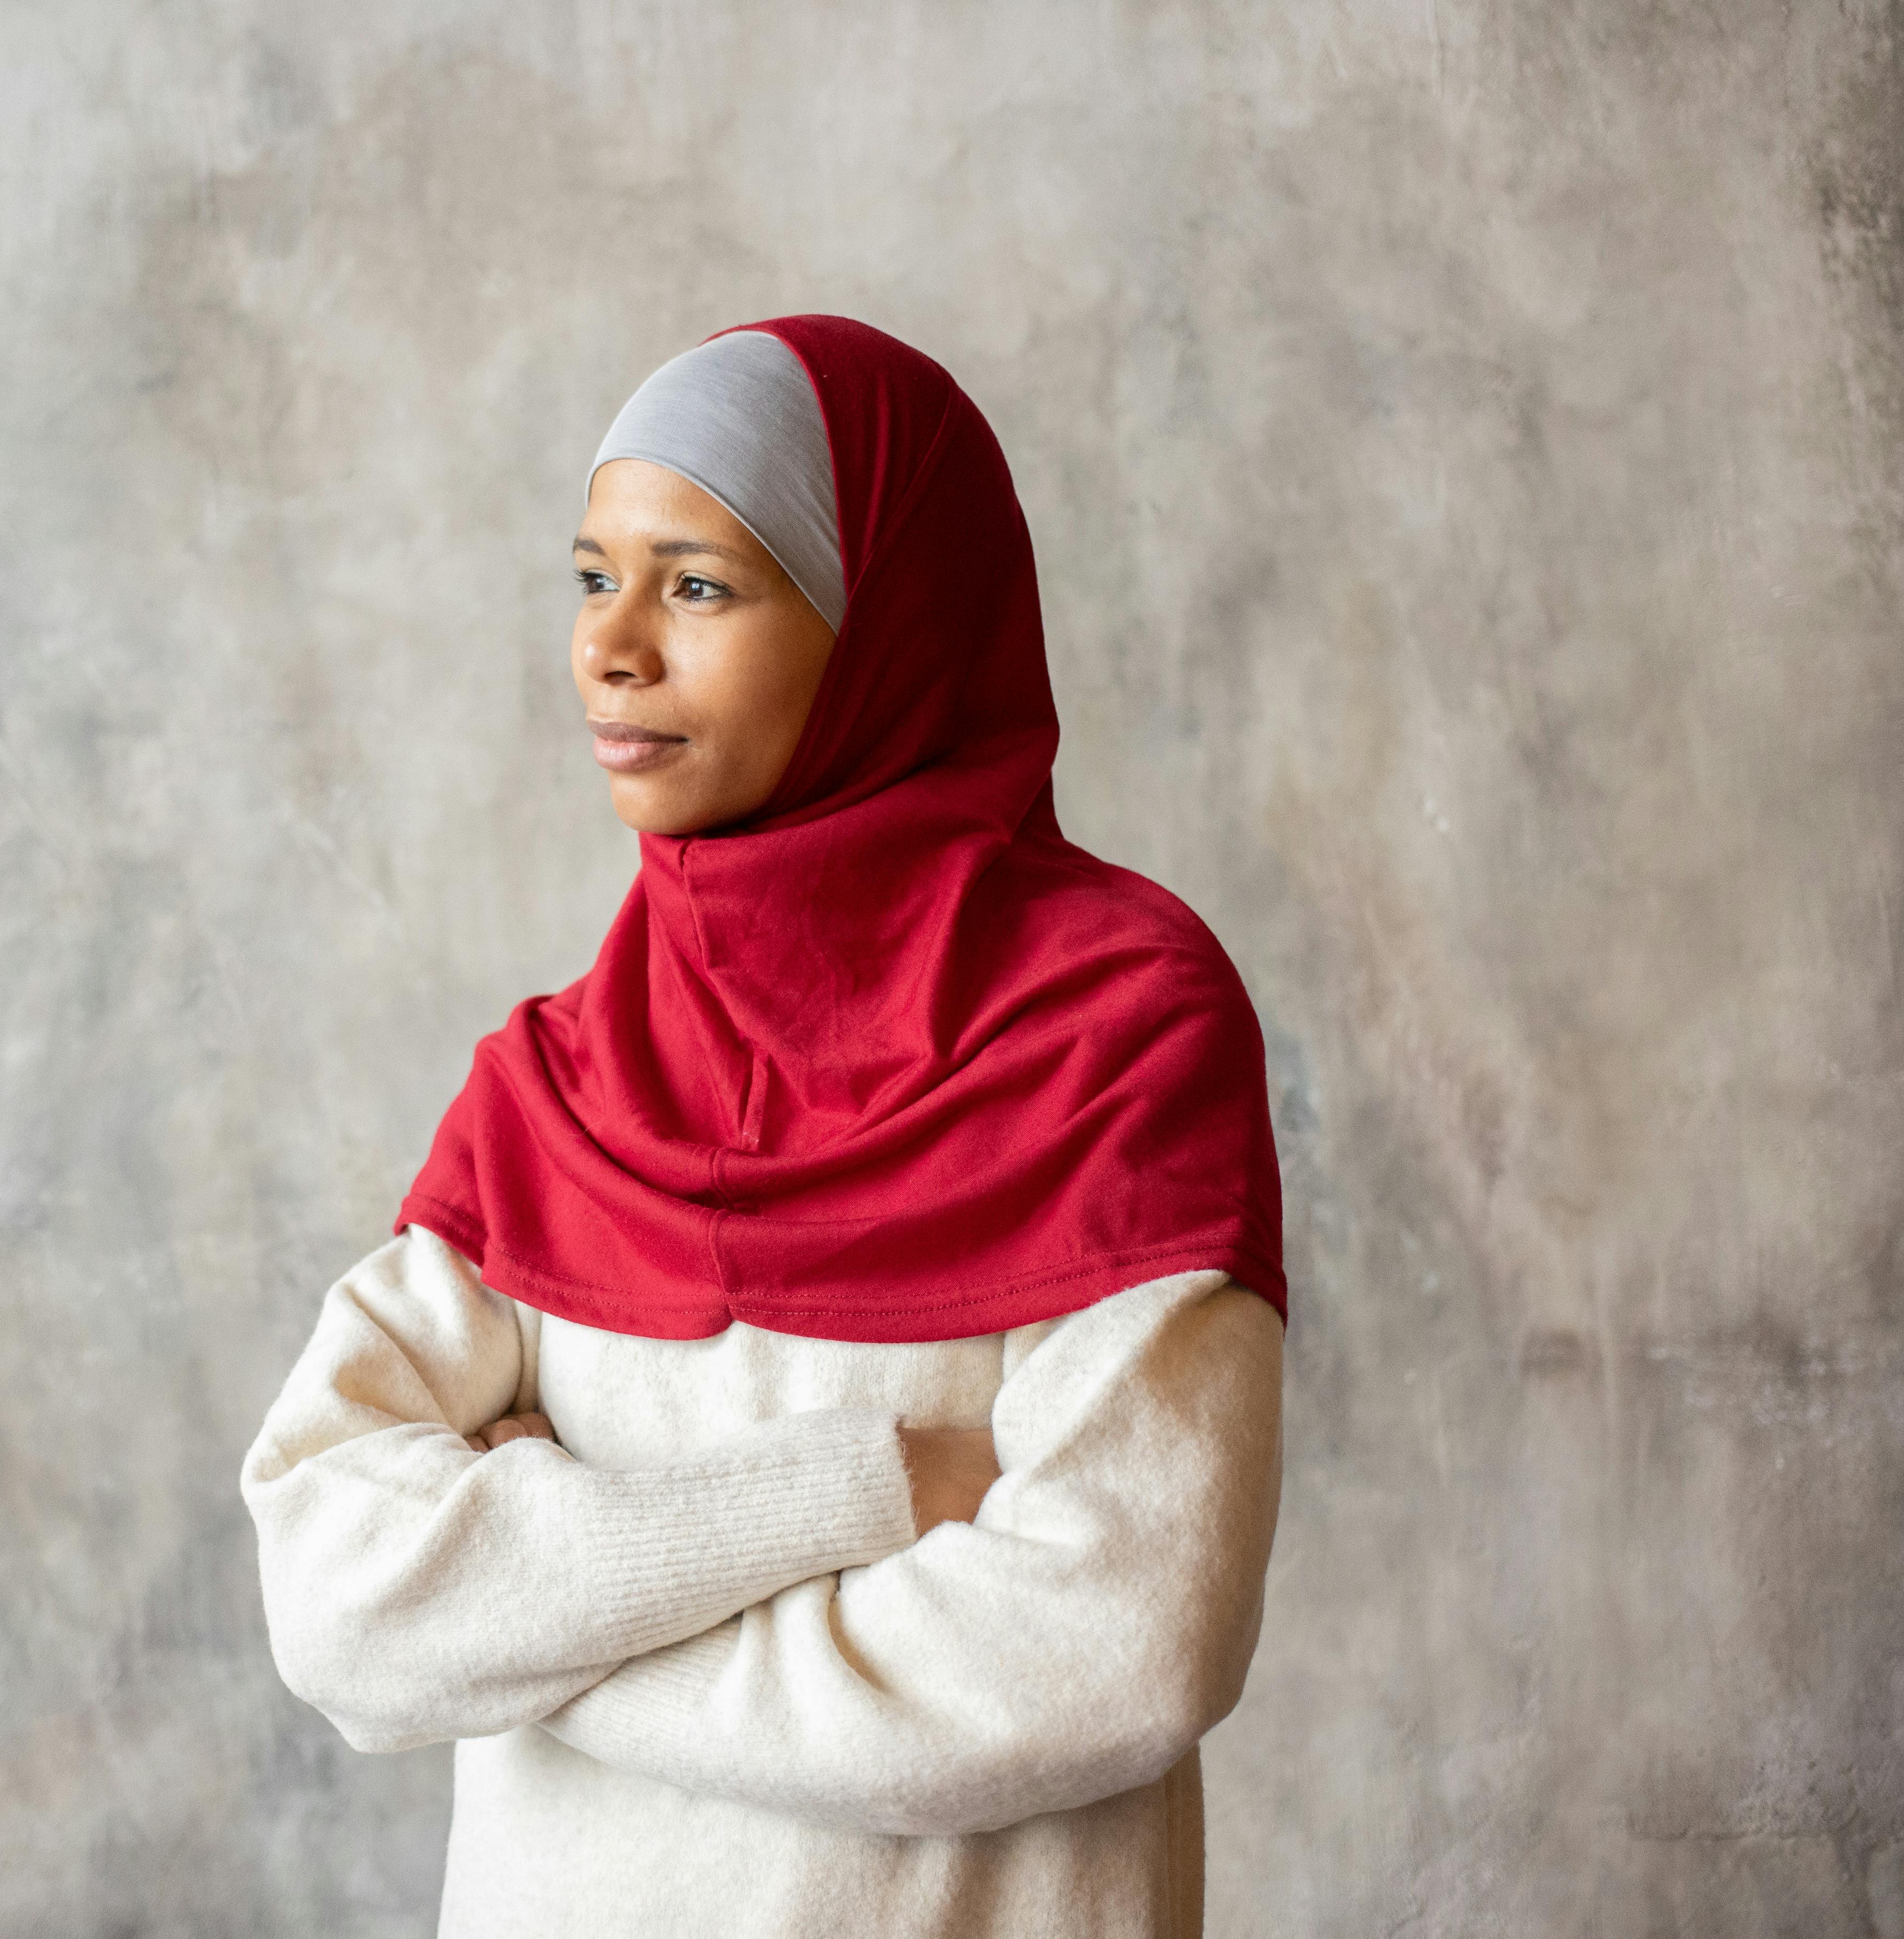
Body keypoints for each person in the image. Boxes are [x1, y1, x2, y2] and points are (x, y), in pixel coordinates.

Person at [240, 316, 1289, 1938]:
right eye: (594, 577)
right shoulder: (561, 1084)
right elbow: (336, 1602)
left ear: (884, 626)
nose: (613, 645)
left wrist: (543, 1648)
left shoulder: (1114, 1040)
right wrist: (857, 1494)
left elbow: (1117, 1648)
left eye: (701, 585)